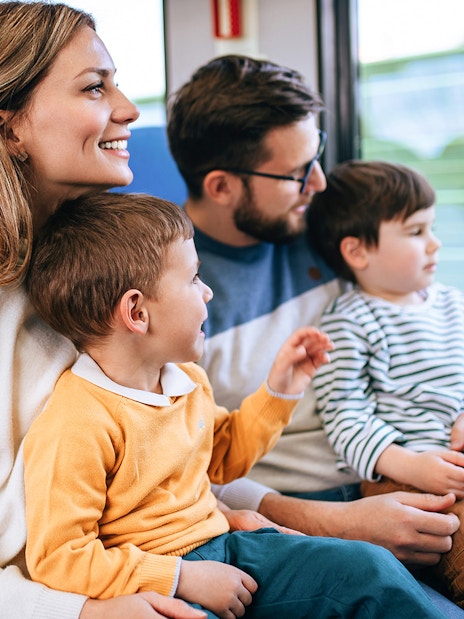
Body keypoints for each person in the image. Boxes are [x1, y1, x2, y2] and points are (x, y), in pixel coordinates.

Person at [23, 189, 450, 619]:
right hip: (156, 578)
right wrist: (181, 578)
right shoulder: (77, 421)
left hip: (231, 544)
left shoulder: (186, 379)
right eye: (192, 279)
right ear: (137, 312)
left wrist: (279, 391)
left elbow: (223, 456)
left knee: (368, 567)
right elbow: (61, 558)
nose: (207, 292)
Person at [166, 54, 464, 616]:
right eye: (299, 171)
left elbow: (431, 321)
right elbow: (188, 471)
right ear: (222, 186)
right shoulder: (174, 294)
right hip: (303, 507)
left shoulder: (329, 227)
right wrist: (337, 521)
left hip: (411, 458)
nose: (321, 182)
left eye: (317, 155)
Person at [0, 2, 204, 618]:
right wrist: (81, 613)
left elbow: (158, 458)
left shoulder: (102, 270)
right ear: (10, 128)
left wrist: (284, 512)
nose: (130, 110)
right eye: (95, 87)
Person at [305, 159, 464, 606]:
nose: (434, 244)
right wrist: (412, 466)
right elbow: (344, 416)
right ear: (358, 252)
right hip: (403, 478)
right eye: (416, 233)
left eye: (431, 228)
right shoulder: (350, 321)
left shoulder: (453, 304)